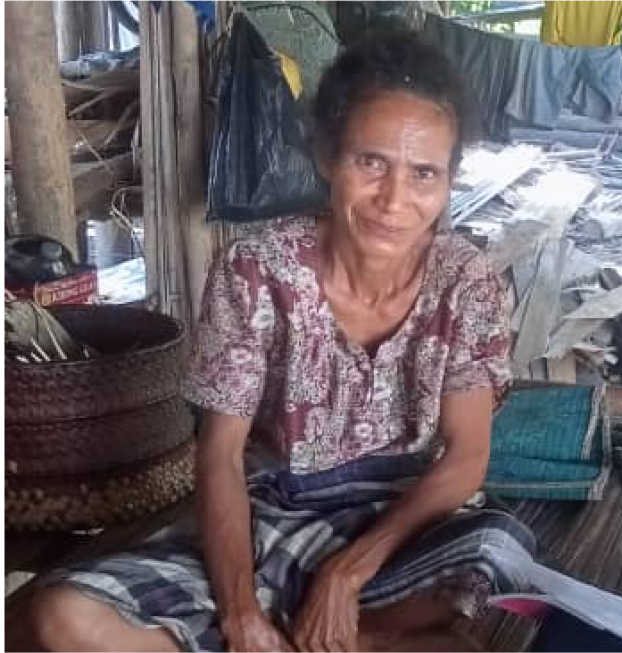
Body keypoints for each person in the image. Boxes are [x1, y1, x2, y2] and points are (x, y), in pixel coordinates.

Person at [30, 33, 536, 652]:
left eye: (424, 173)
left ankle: (325, 634)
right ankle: (323, 641)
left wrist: (346, 573)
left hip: (396, 526)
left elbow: (464, 460)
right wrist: (240, 611)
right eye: (371, 162)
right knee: (64, 617)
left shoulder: (465, 281)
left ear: (450, 180)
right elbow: (219, 455)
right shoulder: (256, 270)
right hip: (269, 518)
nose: (394, 200)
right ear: (326, 156)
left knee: (499, 551)